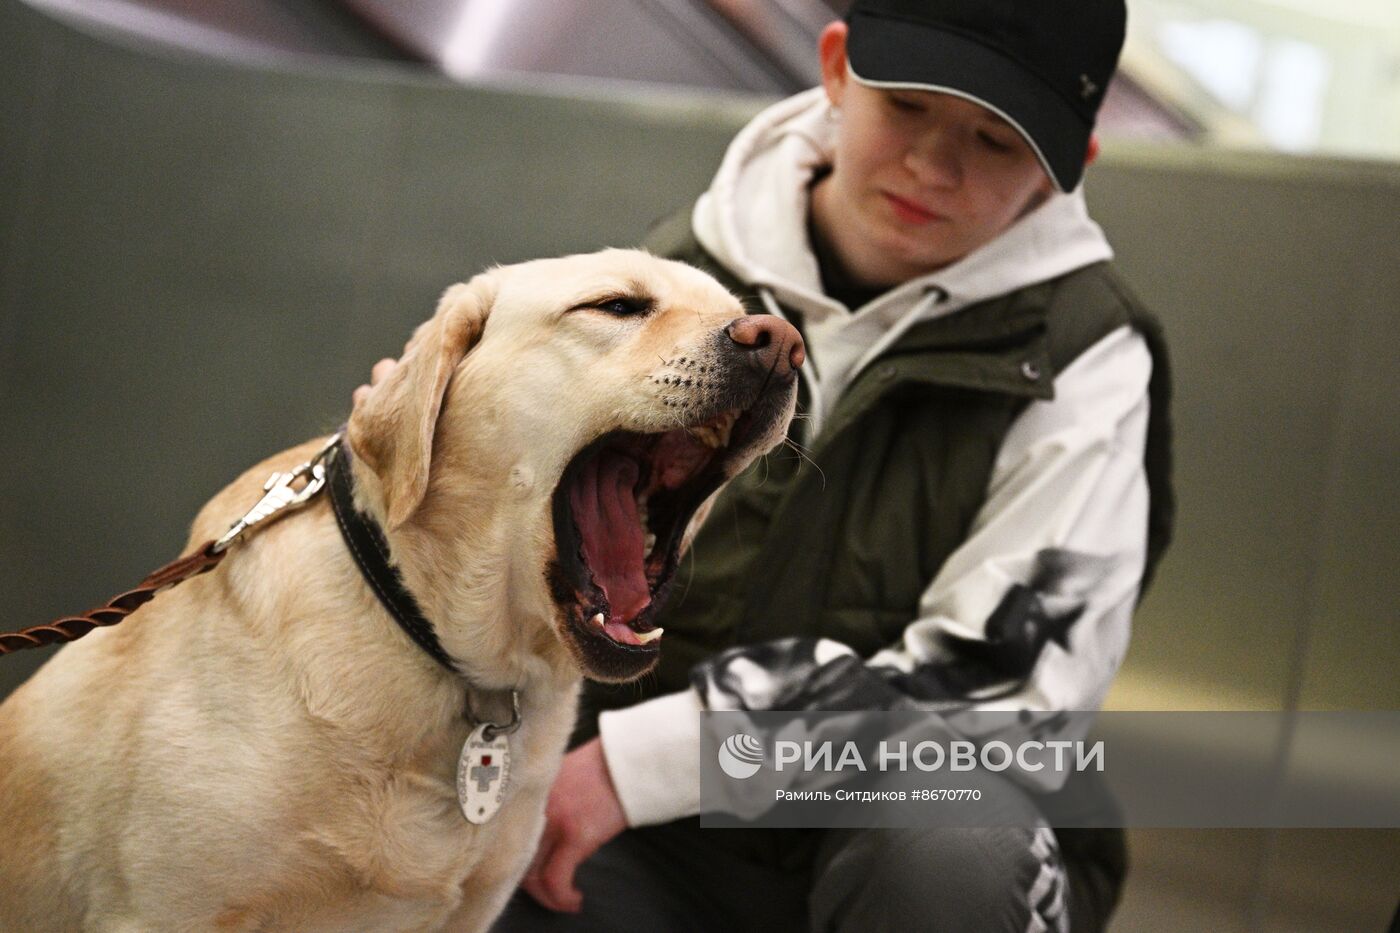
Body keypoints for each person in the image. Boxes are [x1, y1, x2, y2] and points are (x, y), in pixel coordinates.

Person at [359, 1, 1173, 930]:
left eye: (994, 141)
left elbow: (998, 697)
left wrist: (644, 765)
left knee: (951, 839)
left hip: (900, 844)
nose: (934, 167)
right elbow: (503, 549)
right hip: (647, 841)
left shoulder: (1086, 353)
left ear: (1069, 170)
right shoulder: (672, 284)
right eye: (906, 105)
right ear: (836, 68)